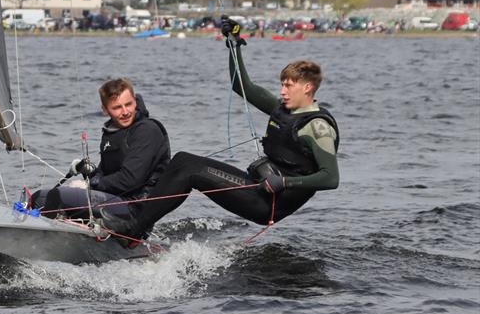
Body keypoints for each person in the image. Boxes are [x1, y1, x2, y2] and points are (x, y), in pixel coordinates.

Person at [105, 18, 339, 240]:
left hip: (269, 204)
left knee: (189, 170)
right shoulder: (282, 110)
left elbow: (330, 178)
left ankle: (133, 230)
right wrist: (234, 44)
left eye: (289, 86)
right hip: (257, 187)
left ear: (307, 87)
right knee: (183, 160)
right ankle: (139, 218)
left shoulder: (318, 127)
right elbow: (241, 85)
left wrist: (286, 183)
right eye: (282, 85)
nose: (282, 91)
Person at [32, 78, 171, 224]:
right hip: (115, 200)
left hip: (135, 208)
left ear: (135, 101)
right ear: (105, 110)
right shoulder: (112, 132)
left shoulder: (147, 130)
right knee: (40, 198)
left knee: (55, 197)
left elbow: (130, 179)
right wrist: (90, 172)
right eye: (117, 107)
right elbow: (106, 173)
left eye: (128, 104)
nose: (125, 112)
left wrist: (91, 185)